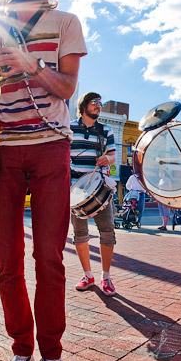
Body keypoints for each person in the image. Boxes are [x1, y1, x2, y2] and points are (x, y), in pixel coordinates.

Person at [0, 0, 86, 361]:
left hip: (49, 147)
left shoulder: (66, 23)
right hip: (2, 148)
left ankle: (53, 354)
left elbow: (66, 88)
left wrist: (30, 65)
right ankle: (21, 349)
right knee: (7, 261)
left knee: (48, 257)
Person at [69, 92, 118, 296]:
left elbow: (113, 156)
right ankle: (88, 275)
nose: (99, 106)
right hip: (74, 191)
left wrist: (108, 159)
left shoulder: (105, 130)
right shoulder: (69, 128)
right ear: (84, 106)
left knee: (107, 233)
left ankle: (106, 277)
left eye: (100, 103)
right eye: (94, 103)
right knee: (80, 234)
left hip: (100, 188)